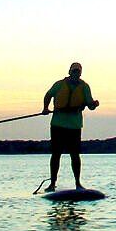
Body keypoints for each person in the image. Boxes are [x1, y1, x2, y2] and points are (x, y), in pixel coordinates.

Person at [43, 62, 99, 192]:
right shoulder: (59, 84)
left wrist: (94, 104)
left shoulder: (84, 87)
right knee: (56, 154)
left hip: (74, 126)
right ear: (69, 72)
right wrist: (46, 108)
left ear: (80, 73)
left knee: (75, 155)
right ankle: (52, 184)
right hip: (58, 124)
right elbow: (48, 95)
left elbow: (90, 105)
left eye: (78, 72)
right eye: (74, 71)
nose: (76, 74)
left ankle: (78, 184)